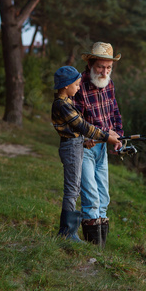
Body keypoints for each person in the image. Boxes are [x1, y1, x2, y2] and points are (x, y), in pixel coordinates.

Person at [51, 65, 122, 242]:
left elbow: (79, 129)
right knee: (72, 190)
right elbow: (83, 126)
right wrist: (106, 136)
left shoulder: (66, 103)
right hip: (71, 148)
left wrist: (95, 138)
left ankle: (69, 232)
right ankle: (67, 232)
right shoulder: (62, 105)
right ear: (66, 86)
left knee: (74, 189)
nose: (78, 87)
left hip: (76, 145)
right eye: (76, 85)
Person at [73, 42, 124, 248]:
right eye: (101, 67)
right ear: (91, 64)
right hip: (84, 148)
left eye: (109, 68)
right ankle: (91, 249)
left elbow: (115, 113)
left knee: (104, 197)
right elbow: (76, 121)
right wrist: (102, 134)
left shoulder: (108, 84)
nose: (105, 72)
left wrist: (118, 137)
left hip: (103, 148)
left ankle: (99, 249)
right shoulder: (79, 84)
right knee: (91, 197)